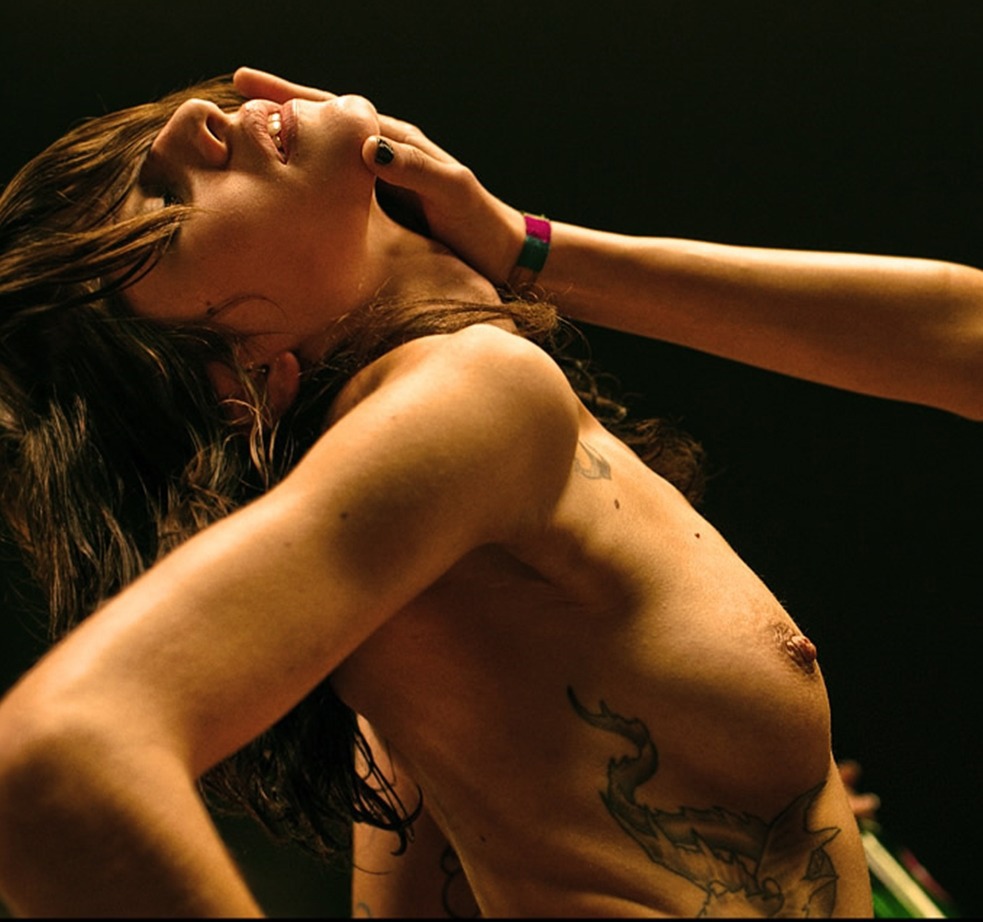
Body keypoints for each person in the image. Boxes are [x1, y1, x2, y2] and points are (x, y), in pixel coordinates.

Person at [0, 66, 978, 918]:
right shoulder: (473, 392)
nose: (191, 120)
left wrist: (520, 245)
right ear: (239, 380)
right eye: (162, 202)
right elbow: (58, 755)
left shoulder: (419, 578)